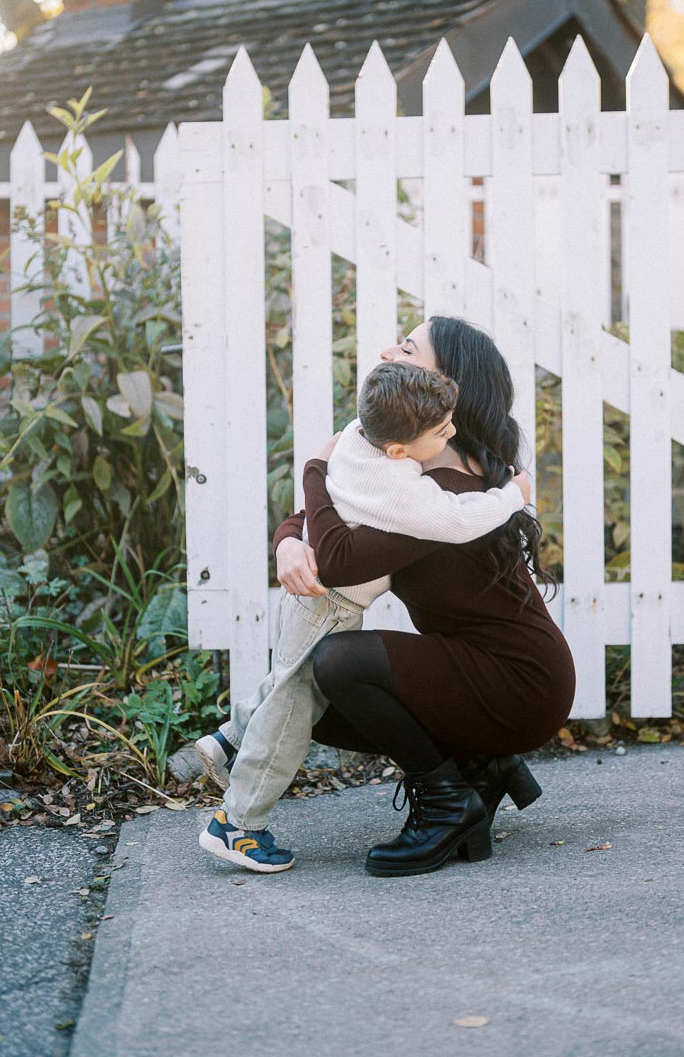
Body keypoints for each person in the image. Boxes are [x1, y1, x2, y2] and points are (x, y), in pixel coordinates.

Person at [197, 360, 531, 873]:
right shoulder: (402, 493)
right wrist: (513, 495)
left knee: (287, 679)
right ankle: (238, 824)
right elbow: (462, 521)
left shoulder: (356, 435)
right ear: (399, 450)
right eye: (442, 430)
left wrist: (310, 473)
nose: (453, 432)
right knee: (292, 707)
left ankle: (231, 736)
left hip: (313, 597)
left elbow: (319, 486)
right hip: (329, 603)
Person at [272, 316, 576, 878]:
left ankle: (446, 804)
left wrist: (315, 463)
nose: (389, 350)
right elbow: (336, 510)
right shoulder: (410, 465)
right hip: (485, 667)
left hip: (520, 681)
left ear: (447, 384)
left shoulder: (442, 486)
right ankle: (477, 764)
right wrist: (289, 541)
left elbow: (338, 556)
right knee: (306, 699)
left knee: (335, 666)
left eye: (409, 348)